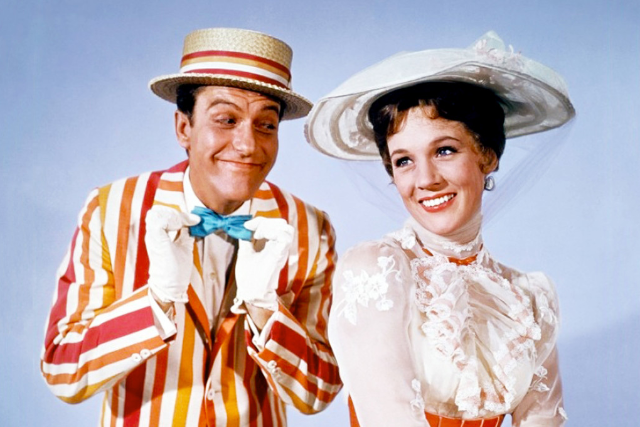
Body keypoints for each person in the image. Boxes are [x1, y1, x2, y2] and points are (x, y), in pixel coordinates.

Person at [40, 27, 341, 426]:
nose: (248, 145)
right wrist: (157, 301)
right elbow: (63, 371)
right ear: (184, 128)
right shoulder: (111, 209)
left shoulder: (310, 228)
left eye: (266, 125)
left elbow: (318, 392)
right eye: (226, 120)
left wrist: (265, 311)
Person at [305, 31, 575, 427]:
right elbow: (388, 416)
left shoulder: (529, 297)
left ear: (487, 155)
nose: (426, 179)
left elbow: (543, 419)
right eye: (404, 161)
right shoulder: (377, 269)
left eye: (444, 150)